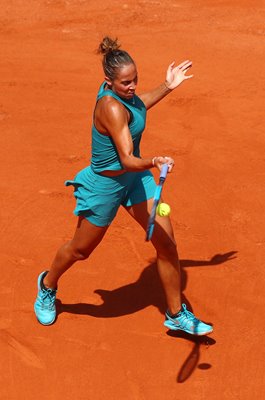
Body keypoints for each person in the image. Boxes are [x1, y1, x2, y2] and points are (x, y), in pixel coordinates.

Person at [34, 36, 213, 336]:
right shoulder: (111, 109)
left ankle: (175, 314)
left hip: (134, 180)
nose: (132, 88)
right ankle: (47, 284)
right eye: (126, 84)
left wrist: (167, 86)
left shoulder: (127, 99)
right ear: (108, 82)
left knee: (167, 244)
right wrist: (154, 161)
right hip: (105, 186)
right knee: (80, 250)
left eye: (135, 80)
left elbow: (140, 105)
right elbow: (128, 159)